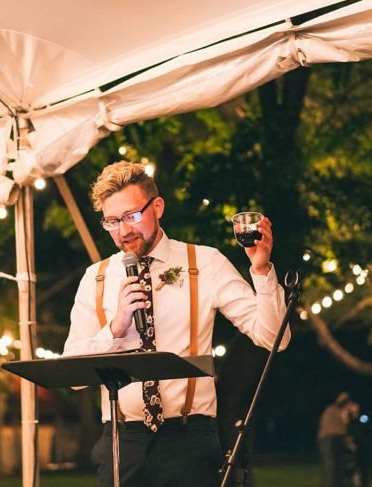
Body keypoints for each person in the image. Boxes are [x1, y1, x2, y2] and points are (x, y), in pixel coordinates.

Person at [62, 161, 291, 487]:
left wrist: (262, 270)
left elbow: (274, 339)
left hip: (189, 439)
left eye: (131, 216)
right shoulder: (95, 278)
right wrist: (113, 331)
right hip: (121, 442)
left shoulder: (205, 262)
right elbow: (73, 375)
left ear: (157, 207)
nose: (123, 230)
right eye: (112, 221)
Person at [318, 392, 352, 487]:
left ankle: (334, 483)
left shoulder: (330, 409)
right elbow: (345, 424)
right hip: (331, 438)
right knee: (331, 464)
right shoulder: (338, 410)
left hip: (329, 438)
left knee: (334, 463)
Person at [346, 401, 372, 487]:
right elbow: (350, 434)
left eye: (355, 408)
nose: (354, 410)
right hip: (359, 449)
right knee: (362, 470)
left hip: (368, 448)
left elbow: (369, 429)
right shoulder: (350, 422)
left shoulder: (362, 418)